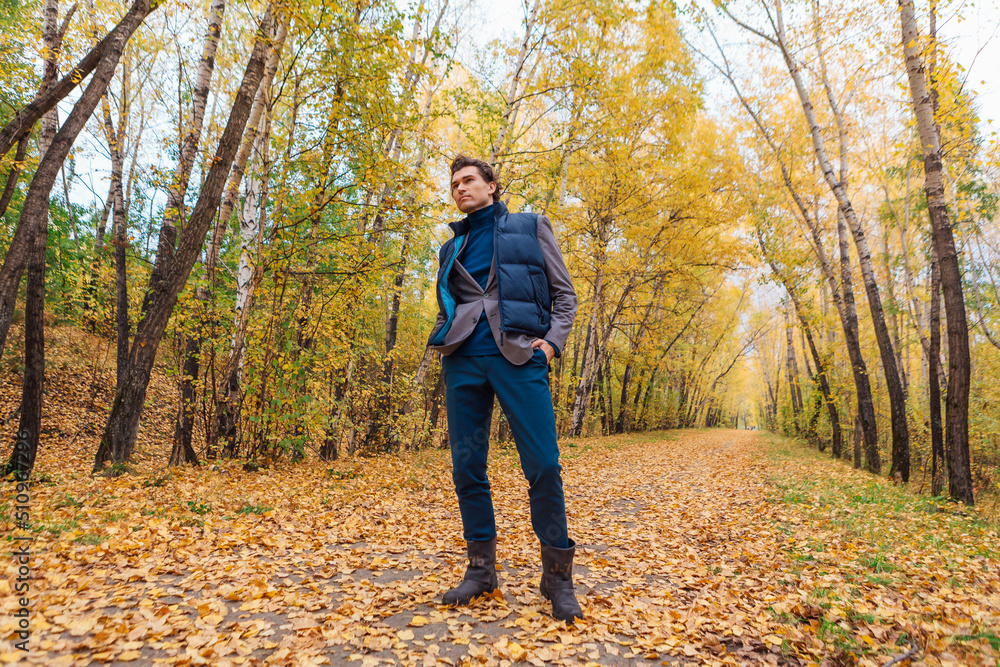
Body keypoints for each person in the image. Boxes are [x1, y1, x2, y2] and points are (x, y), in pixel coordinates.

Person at [427, 155, 582, 622]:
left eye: (469, 180)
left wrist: (550, 345)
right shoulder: (450, 247)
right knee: (467, 468)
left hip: (519, 357)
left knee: (543, 465)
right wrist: (444, 333)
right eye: (454, 184)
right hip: (464, 363)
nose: (460, 188)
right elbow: (447, 302)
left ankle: (557, 577)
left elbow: (565, 294)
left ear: (492, 185)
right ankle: (481, 571)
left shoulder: (531, 227)